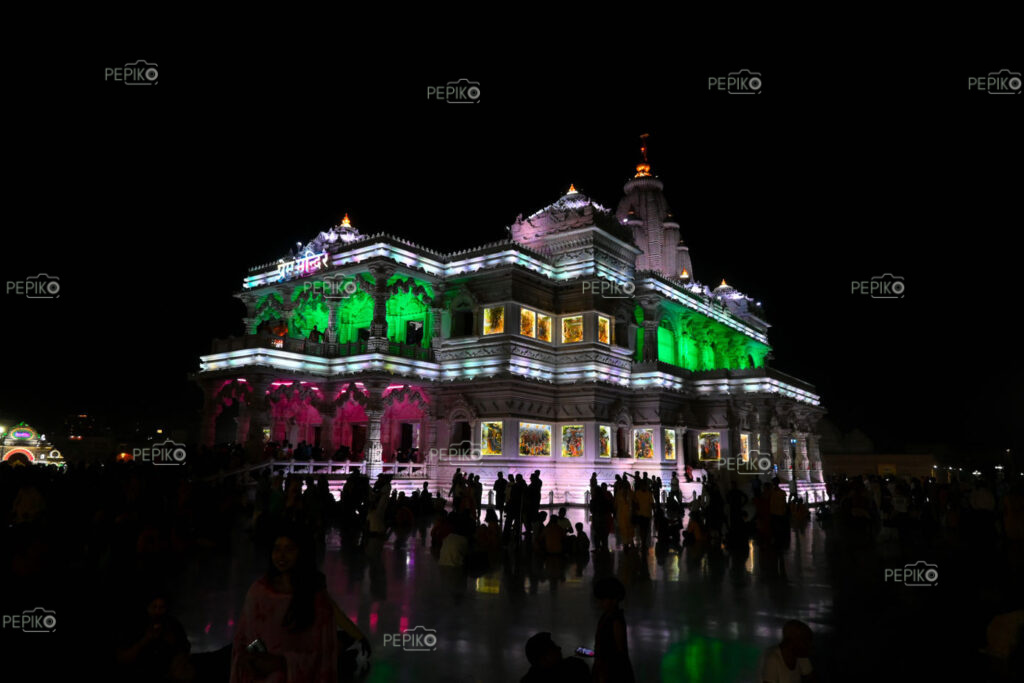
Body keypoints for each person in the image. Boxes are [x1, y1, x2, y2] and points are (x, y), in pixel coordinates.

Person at [230, 526, 338, 682]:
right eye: (277, 549)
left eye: (289, 549)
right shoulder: (259, 592)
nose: (281, 556)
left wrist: (282, 663)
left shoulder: (316, 599)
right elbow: (246, 636)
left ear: (302, 553)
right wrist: (252, 657)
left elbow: (323, 653)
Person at [115, 591, 192, 682]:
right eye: (154, 607)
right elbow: (122, 657)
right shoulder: (136, 626)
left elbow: (185, 649)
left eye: (161, 607)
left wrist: (171, 641)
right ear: (148, 608)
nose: (157, 611)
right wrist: (145, 640)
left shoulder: (173, 625)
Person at [591, 577, 635, 683]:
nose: (600, 603)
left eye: (603, 599)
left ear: (614, 600)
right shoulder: (607, 616)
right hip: (605, 667)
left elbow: (620, 650)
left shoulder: (615, 620)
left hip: (612, 671)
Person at [521, 632, 590, 683]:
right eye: (553, 647)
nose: (559, 648)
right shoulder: (575, 668)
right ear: (544, 659)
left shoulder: (529, 679)